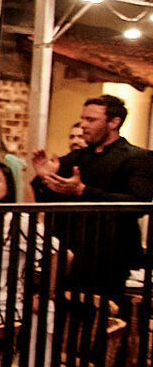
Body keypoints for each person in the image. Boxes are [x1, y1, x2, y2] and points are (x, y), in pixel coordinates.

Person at [31, 94, 153, 298]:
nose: (84, 125)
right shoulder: (77, 157)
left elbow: (139, 203)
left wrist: (83, 191)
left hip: (108, 254)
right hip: (68, 251)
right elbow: (47, 199)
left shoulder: (137, 157)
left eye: (91, 120)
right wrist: (44, 178)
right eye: (83, 119)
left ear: (114, 122)